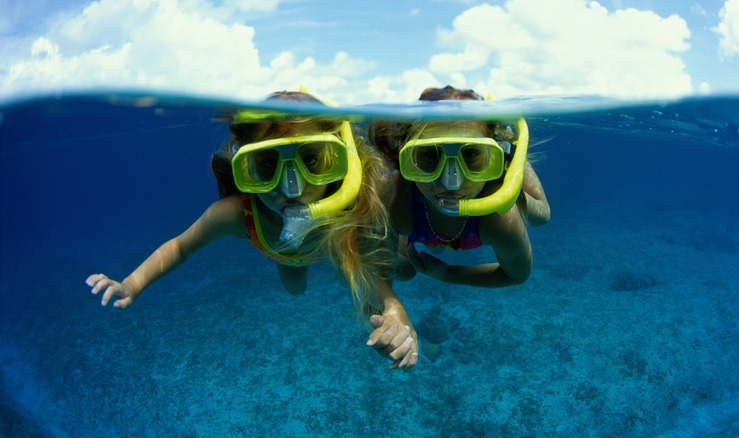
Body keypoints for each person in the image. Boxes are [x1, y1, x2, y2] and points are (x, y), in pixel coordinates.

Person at [86, 90, 418, 370]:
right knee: (294, 289)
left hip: (335, 246)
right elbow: (180, 247)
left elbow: (359, 271)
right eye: (268, 164)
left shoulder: (344, 208)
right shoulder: (236, 214)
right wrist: (132, 283)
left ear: (336, 161)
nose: (292, 187)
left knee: (379, 268)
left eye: (311, 160)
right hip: (287, 258)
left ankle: (402, 247)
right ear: (245, 166)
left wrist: (394, 308)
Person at [370, 86, 550, 287]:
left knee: (540, 216)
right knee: (405, 272)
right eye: (431, 153)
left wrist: (447, 273)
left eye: (471, 153)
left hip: (492, 186)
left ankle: (510, 153)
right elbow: (379, 271)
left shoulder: (501, 218)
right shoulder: (395, 196)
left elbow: (516, 274)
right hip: (422, 219)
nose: (451, 182)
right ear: (408, 155)